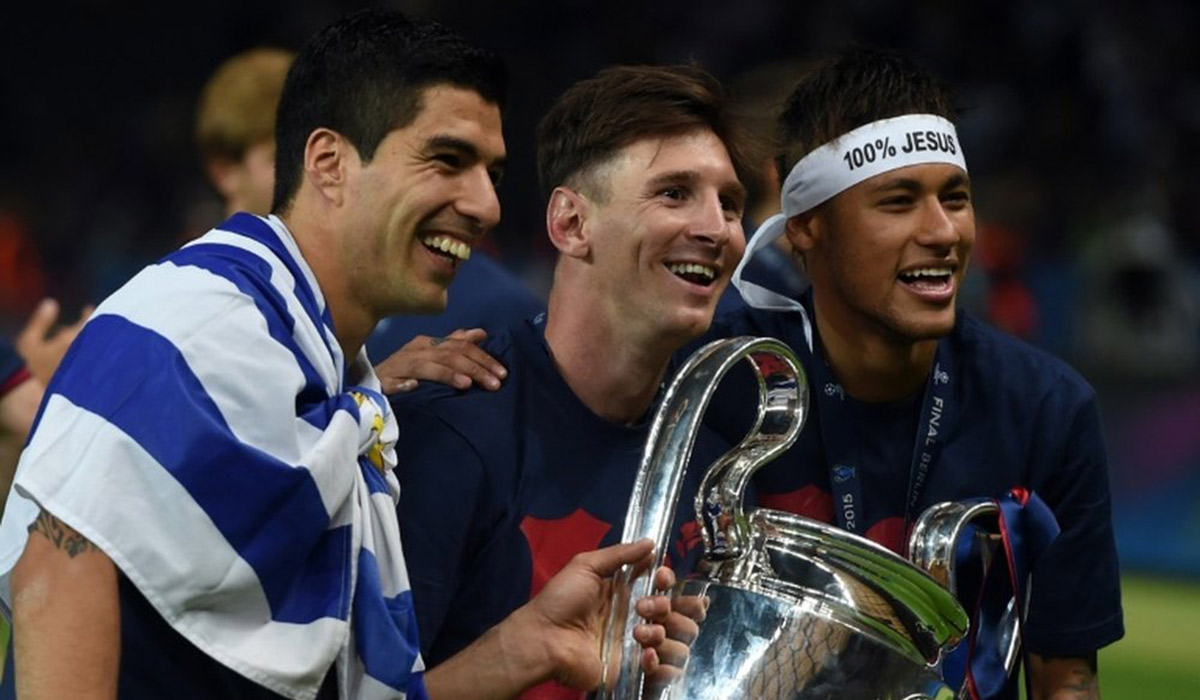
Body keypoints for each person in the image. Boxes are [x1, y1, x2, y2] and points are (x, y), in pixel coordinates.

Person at [0, 10, 678, 700]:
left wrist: (525, 645)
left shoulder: (331, 378)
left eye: (492, 173)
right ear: (329, 164)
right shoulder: (195, 320)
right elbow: (56, 560)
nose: (485, 205)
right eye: (447, 160)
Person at [702, 47, 1123, 699]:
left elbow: (1066, 677)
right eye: (898, 202)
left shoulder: (1046, 408)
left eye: (955, 198)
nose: (943, 231)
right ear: (806, 227)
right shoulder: (720, 379)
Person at [391, 64, 750, 700]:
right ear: (571, 225)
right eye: (674, 193)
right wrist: (521, 653)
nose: (717, 228)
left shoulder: (712, 468)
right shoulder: (447, 435)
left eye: (730, 203)